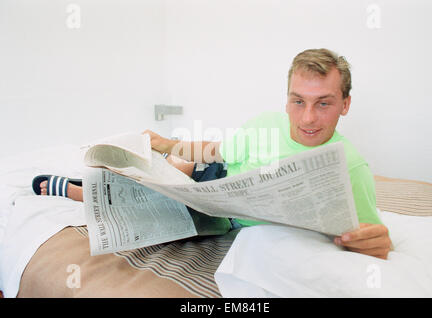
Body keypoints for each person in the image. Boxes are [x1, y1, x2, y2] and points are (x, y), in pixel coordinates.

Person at [35, 48, 392, 260]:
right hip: (214, 182)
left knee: (157, 206)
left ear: (345, 105)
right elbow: (218, 151)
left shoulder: (351, 165)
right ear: (287, 99)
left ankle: (81, 189)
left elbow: (371, 236)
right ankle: (117, 177)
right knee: (180, 164)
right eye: (298, 101)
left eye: (324, 103)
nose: (308, 117)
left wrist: (378, 243)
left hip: (225, 220)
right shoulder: (268, 122)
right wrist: (166, 144)